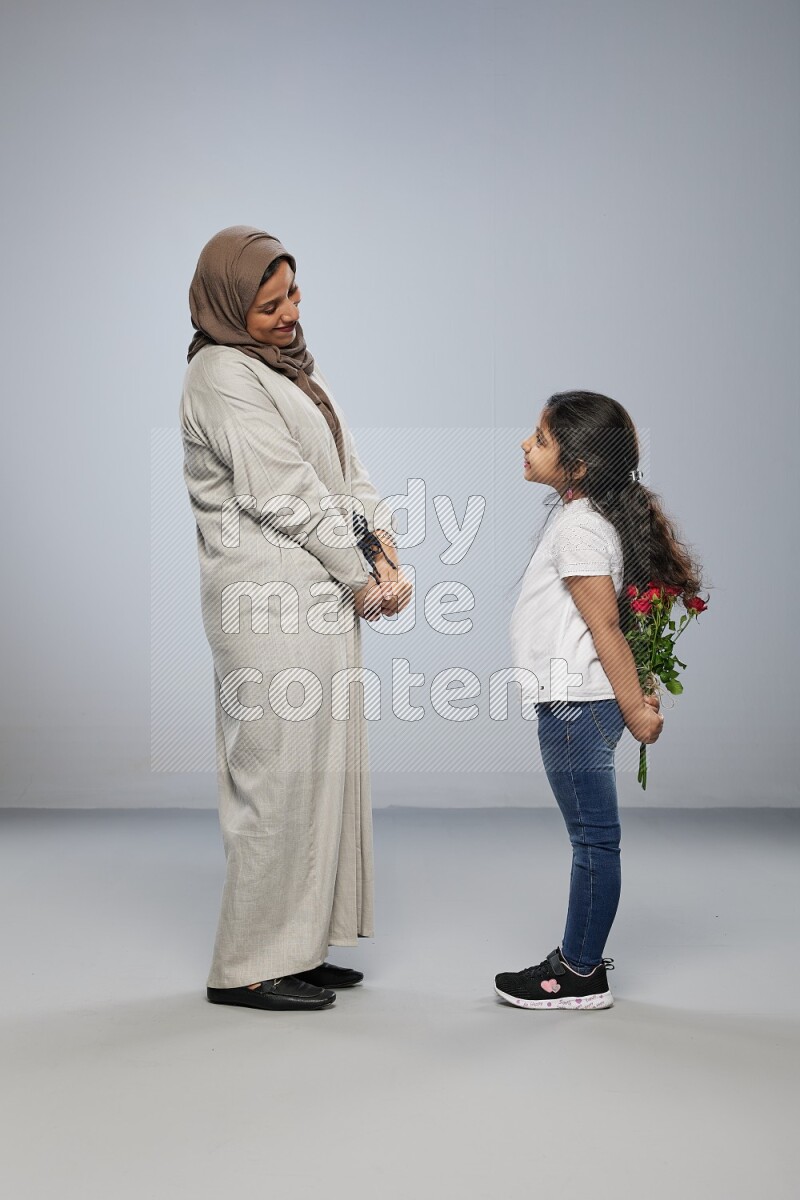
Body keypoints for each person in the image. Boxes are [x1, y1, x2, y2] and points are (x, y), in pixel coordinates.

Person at [179, 225, 411, 1012]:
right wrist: (366, 575)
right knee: (277, 780)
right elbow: (284, 491)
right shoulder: (220, 373)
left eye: (293, 294)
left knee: (321, 776)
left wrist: (388, 557)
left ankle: (300, 947)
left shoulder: (293, 371)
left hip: (320, 596)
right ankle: (247, 967)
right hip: (267, 605)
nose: (288, 313)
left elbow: (349, 477)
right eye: (268, 304)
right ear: (226, 306)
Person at [494, 391, 703, 1010]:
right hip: (580, 704)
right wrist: (633, 691)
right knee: (594, 839)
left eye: (541, 439)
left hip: (575, 707)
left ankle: (579, 973)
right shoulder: (585, 517)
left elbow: (605, 626)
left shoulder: (580, 528)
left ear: (579, 465)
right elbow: (613, 623)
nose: (526, 444)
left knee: (593, 841)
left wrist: (635, 709)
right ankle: (579, 962)